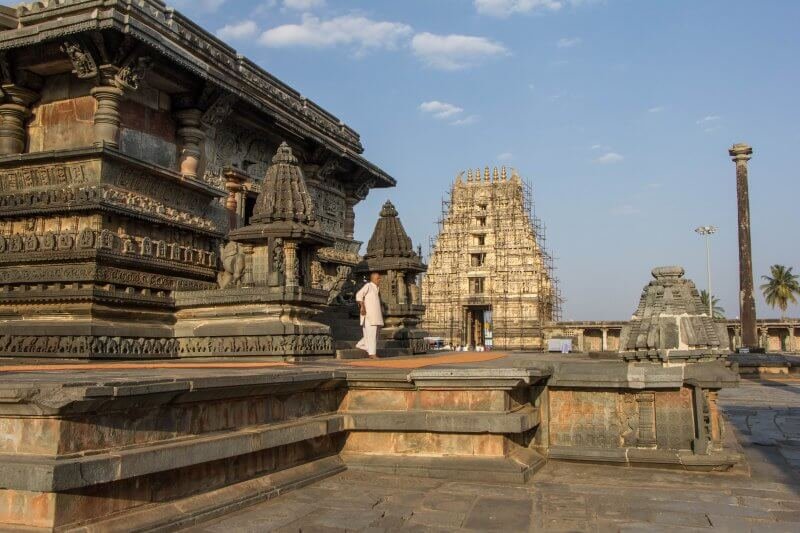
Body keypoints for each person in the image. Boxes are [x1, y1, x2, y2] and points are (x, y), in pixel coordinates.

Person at [355, 272, 383, 359]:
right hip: (369, 316)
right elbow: (358, 295)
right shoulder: (368, 286)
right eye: (378, 278)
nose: (380, 280)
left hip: (376, 316)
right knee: (372, 335)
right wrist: (362, 307)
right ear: (373, 279)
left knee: (374, 335)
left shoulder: (376, 289)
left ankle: (361, 345)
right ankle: (372, 354)